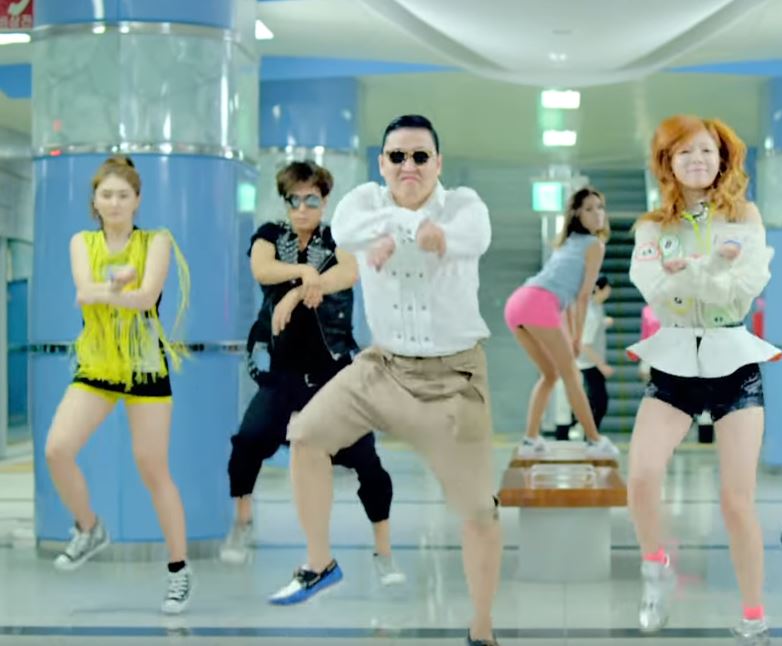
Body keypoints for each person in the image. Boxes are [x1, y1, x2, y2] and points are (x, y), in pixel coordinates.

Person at [268, 115, 502, 646]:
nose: (408, 166)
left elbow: (468, 238)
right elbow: (346, 231)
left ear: (438, 163)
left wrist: (409, 234)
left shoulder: (465, 206)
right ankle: (319, 563)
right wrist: (405, 228)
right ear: (382, 163)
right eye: (397, 156)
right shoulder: (362, 202)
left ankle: (482, 629)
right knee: (305, 435)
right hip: (384, 367)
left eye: (420, 156)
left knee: (477, 511)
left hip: (453, 377)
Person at [626, 115, 781, 644]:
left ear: (723, 159)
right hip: (673, 362)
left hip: (734, 362)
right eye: (684, 152)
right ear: (667, 162)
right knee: (642, 475)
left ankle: (754, 613)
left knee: (736, 500)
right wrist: (710, 270)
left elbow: (745, 288)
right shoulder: (652, 227)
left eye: (707, 151)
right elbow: (654, 291)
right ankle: (656, 570)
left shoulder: (745, 216)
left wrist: (697, 274)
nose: (697, 160)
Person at [220, 161, 403, 586]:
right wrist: (304, 273)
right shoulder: (270, 235)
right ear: (285, 203)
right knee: (248, 442)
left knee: (366, 462)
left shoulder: (338, 238)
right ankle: (242, 522)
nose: (303, 208)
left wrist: (297, 293)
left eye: (312, 200)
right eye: (295, 200)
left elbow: (348, 272)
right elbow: (262, 269)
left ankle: (384, 552)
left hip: (332, 376)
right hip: (283, 374)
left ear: (324, 201)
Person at [43, 155, 194, 614]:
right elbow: (82, 291)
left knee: (152, 468)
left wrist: (106, 290)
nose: (113, 202)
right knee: (57, 449)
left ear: (137, 200)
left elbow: (147, 297)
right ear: (94, 200)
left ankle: (179, 571)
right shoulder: (81, 241)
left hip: (145, 362)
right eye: (106, 194)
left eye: (122, 195)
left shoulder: (157, 241)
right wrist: (115, 287)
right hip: (97, 361)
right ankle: (89, 528)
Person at [504, 187, 618, 458]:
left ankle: (530, 440)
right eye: (589, 209)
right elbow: (582, 297)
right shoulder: (594, 245)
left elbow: (564, 301)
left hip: (518, 302)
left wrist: (572, 336)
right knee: (571, 376)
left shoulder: (568, 243)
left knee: (550, 374)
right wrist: (577, 337)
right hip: (539, 304)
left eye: (600, 207)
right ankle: (595, 440)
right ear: (577, 214)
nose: (597, 213)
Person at [576, 275, 614, 432]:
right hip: (589, 364)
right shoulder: (591, 313)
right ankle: (589, 435)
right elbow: (585, 344)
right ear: (598, 289)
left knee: (597, 403)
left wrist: (604, 322)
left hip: (592, 363)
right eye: (608, 288)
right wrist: (602, 365)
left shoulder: (596, 307)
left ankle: (590, 435)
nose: (609, 291)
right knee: (599, 403)